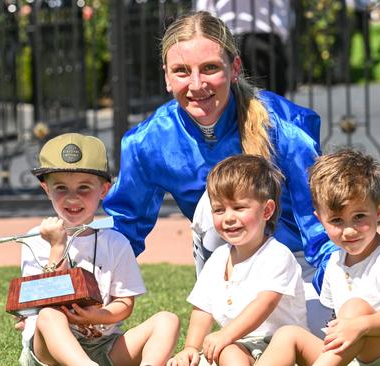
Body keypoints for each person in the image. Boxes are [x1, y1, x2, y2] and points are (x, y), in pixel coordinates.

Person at [103, 11, 335, 337]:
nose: (197, 85)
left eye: (210, 68)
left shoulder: (286, 126)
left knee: (335, 342)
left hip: (300, 267)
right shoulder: (148, 141)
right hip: (232, 269)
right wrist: (90, 301)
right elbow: (122, 233)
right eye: (182, 72)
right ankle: (229, 314)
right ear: (167, 78)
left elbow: (322, 224)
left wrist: (344, 296)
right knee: (214, 203)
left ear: (234, 68)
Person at [256, 149, 380, 366]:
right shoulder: (334, 263)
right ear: (320, 220)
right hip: (357, 355)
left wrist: (359, 325)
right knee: (289, 335)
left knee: (354, 309)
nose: (349, 231)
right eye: (337, 221)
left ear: (379, 210)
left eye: (359, 217)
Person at [18, 133, 180, 366]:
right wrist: (57, 247)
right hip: (50, 351)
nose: (72, 198)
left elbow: (124, 304)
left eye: (84, 187)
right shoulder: (37, 238)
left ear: (104, 190)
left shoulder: (115, 242)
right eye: (61, 188)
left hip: (103, 344)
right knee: (49, 316)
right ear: (46, 189)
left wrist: (98, 316)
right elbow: (42, 301)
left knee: (168, 320)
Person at [167, 154, 306, 366]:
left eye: (239, 208)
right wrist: (190, 348)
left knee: (231, 348)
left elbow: (264, 303)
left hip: (279, 347)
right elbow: (202, 309)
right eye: (219, 210)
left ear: (267, 210)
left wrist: (226, 335)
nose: (228, 218)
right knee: (227, 353)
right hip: (238, 347)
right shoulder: (218, 259)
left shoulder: (277, 255)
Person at [195, 0, 291, 95]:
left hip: (230, 33)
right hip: (264, 33)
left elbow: (205, 6)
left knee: (233, 96)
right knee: (271, 99)